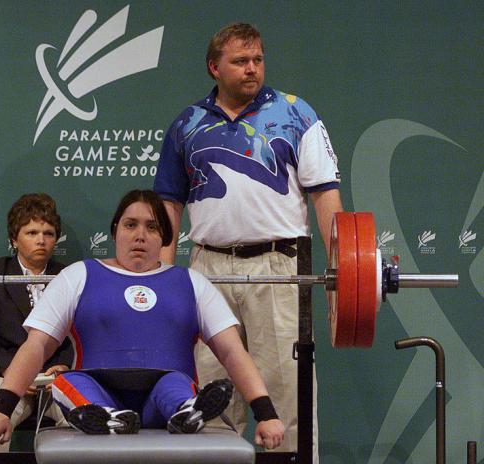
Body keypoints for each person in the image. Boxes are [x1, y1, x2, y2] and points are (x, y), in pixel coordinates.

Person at [153, 23, 343, 461]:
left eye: (257, 59)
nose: (252, 69)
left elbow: (325, 196)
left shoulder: (297, 114)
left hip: (278, 267)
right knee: (211, 397)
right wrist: (164, 279)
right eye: (240, 61)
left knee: (286, 392)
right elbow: (169, 206)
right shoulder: (187, 123)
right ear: (214, 67)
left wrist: (341, 267)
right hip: (208, 270)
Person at [0, 189, 285, 449]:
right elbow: (37, 347)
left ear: (164, 237)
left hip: (161, 401)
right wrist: (1, 408)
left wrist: (266, 413)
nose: (140, 236)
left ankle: (188, 412)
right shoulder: (78, 276)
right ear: (115, 231)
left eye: (152, 227)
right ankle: (108, 418)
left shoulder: (192, 283)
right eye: (130, 225)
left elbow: (232, 351)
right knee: (67, 381)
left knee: (176, 382)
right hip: (98, 390)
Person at [0, 193, 74, 453]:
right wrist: (16, 373)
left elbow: (79, 333)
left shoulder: (70, 276)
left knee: (89, 411)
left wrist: (66, 365)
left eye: (48, 233)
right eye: (32, 232)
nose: (41, 240)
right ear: (14, 239)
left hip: (56, 378)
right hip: (0, 375)